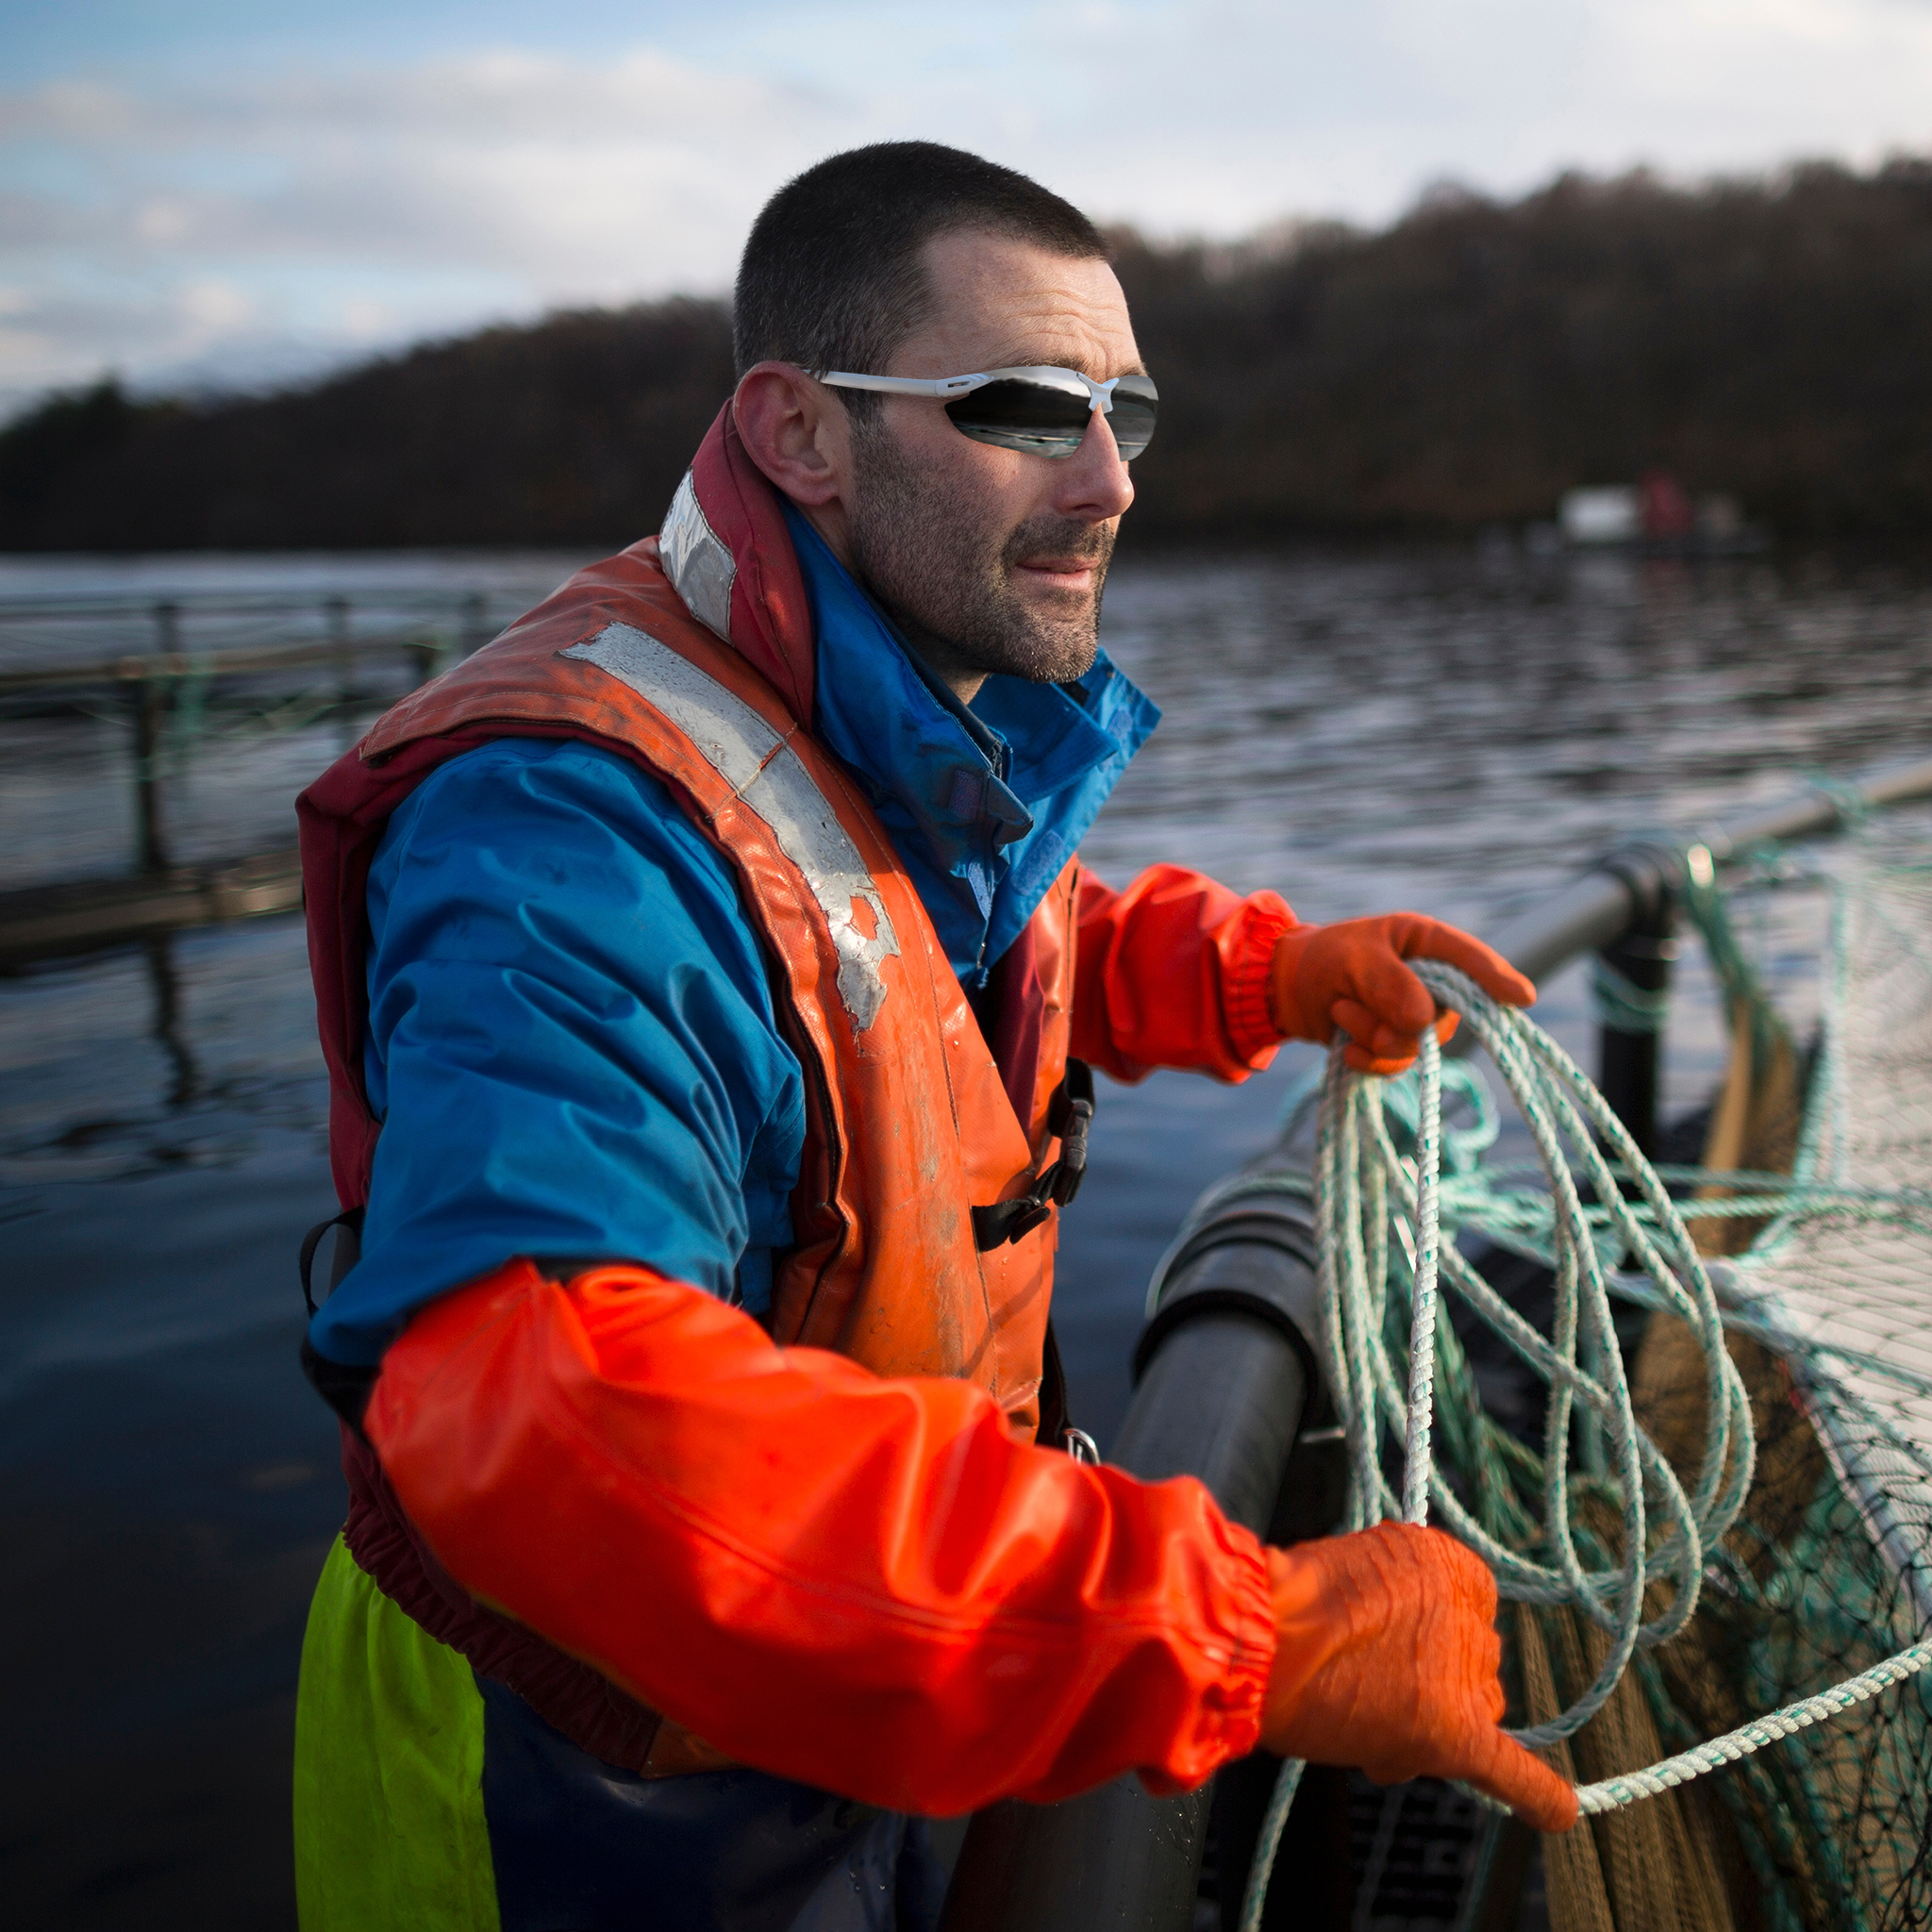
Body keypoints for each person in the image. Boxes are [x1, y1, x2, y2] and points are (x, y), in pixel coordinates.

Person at [291, 142, 1576, 1932]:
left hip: (873, 1672)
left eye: (1126, 410)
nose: (1111, 479)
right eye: (1029, 407)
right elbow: (548, 1420)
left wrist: (1257, 975)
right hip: (581, 1777)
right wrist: (1226, 1631)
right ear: (800, 431)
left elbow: (924, 957)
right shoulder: (563, 826)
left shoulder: (865, 695)